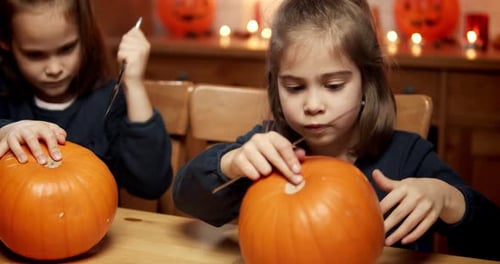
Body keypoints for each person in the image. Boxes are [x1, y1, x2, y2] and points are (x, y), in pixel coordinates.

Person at [173, 0, 500, 260]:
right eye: (295, 87)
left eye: (333, 85)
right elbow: (186, 198)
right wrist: (232, 161)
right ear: (276, 86)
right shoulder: (271, 151)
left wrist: (447, 199)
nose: (313, 104)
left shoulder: (408, 155)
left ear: (366, 84)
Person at [0, 0, 172, 200]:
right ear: (5, 42)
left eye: (66, 49)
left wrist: (134, 84)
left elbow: (151, 184)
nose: (54, 69)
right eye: (35, 55)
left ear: (85, 35)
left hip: (91, 225)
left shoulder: (109, 101)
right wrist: (4, 131)